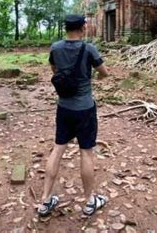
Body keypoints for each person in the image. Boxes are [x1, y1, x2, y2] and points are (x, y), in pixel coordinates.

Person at [37, 14, 109, 218]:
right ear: (83, 28)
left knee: (58, 148)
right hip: (85, 108)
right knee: (86, 152)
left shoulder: (55, 47)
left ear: (66, 28)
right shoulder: (89, 49)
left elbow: (55, 70)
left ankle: (45, 200)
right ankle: (89, 202)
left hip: (64, 108)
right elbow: (105, 73)